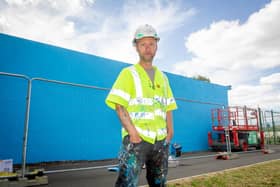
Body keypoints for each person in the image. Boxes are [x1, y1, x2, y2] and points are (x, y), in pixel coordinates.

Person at [105, 24, 177, 187]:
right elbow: (119, 105)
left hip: (160, 141)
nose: (147, 48)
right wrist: (133, 133)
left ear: (156, 46)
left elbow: (169, 106)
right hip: (136, 139)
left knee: (159, 183)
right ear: (136, 47)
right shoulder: (128, 73)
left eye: (151, 44)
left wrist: (170, 130)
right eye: (143, 44)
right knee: (127, 183)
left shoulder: (163, 78)